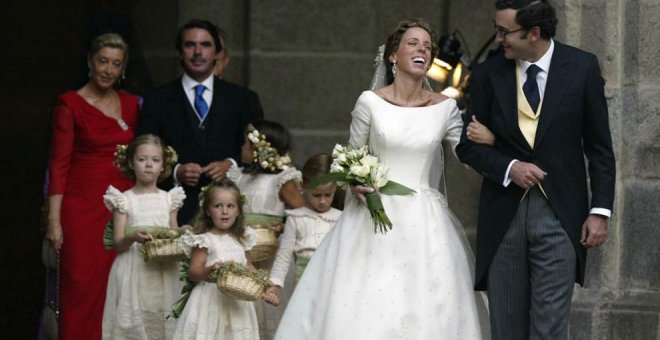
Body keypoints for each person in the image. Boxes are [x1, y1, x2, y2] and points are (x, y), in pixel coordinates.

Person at [275, 18, 490, 339]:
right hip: (373, 213)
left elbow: (467, 156)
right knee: (366, 299)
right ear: (393, 55)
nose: (423, 50)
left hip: (424, 220)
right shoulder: (370, 102)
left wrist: (488, 140)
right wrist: (356, 183)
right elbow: (350, 157)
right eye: (413, 43)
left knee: (425, 303)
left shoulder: (444, 108)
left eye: (428, 46)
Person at [455, 1, 615, 339]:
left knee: (549, 328)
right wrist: (509, 166)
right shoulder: (486, 74)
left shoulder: (581, 67)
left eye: (504, 31)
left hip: (560, 214)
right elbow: (467, 146)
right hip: (504, 216)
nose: (498, 39)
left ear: (534, 33)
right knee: (506, 327)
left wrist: (599, 211)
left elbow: (599, 148)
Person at [45, 32, 139, 340]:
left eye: (116, 64)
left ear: (123, 68)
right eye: (103, 61)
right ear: (90, 61)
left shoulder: (130, 104)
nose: (108, 70)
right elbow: (58, 165)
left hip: (123, 208)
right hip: (82, 210)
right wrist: (54, 221)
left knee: (119, 289)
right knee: (81, 288)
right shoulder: (70, 104)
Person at [138, 19, 264, 224]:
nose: (198, 52)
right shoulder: (156, 100)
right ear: (180, 52)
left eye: (205, 45)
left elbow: (261, 152)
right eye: (190, 45)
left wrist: (230, 164)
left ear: (217, 53)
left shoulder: (244, 99)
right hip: (173, 212)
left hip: (229, 213)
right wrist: (176, 171)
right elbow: (141, 153)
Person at [226, 119, 305, 339]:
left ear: (260, 149)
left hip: (271, 254)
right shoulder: (239, 177)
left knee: (270, 310)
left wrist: (285, 225)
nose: (241, 148)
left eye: (245, 144)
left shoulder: (281, 179)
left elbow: (302, 214)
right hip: (243, 252)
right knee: (244, 307)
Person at [101, 134, 184, 340]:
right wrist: (132, 237)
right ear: (131, 162)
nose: (148, 165)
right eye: (142, 159)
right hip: (134, 268)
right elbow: (118, 244)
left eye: (155, 160)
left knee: (161, 320)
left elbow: (174, 233)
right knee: (135, 323)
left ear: (163, 166)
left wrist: (183, 234)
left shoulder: (169, 199)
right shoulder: (124, 200)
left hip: (163, 269)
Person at [172, 178, 260, 339]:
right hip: (210, 300)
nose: (224, 211)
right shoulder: (204, 240)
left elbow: (248, 267)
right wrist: (209, 269)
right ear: (207, 210)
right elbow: (194, 272)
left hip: (237, 301)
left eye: (230, 206)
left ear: (238, 211)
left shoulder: (242, 238)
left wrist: (264, 284)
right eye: (218, 206)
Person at [263, 153, 342, 306]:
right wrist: (275, 285)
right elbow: (283, 256)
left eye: (328, 195)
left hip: (333, 286)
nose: (322, 201)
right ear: (304, 186)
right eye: (316, 195)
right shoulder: (296, 218)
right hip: (303, 286)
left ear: (336, 188)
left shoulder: (341, 219)